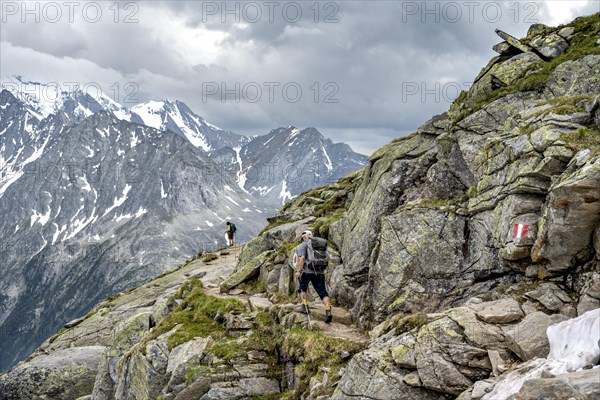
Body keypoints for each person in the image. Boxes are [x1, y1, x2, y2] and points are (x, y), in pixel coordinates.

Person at [295, 230, 333, 323]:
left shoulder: (304, 244)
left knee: (302, 288)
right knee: (323, 292)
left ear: (305, 237)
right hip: (319, 272)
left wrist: (299, 271)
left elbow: (302, 258)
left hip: (307, 271)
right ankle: (328, 310)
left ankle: (304, 306)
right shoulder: (320, 245)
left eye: (304, 237)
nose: (303, 238)